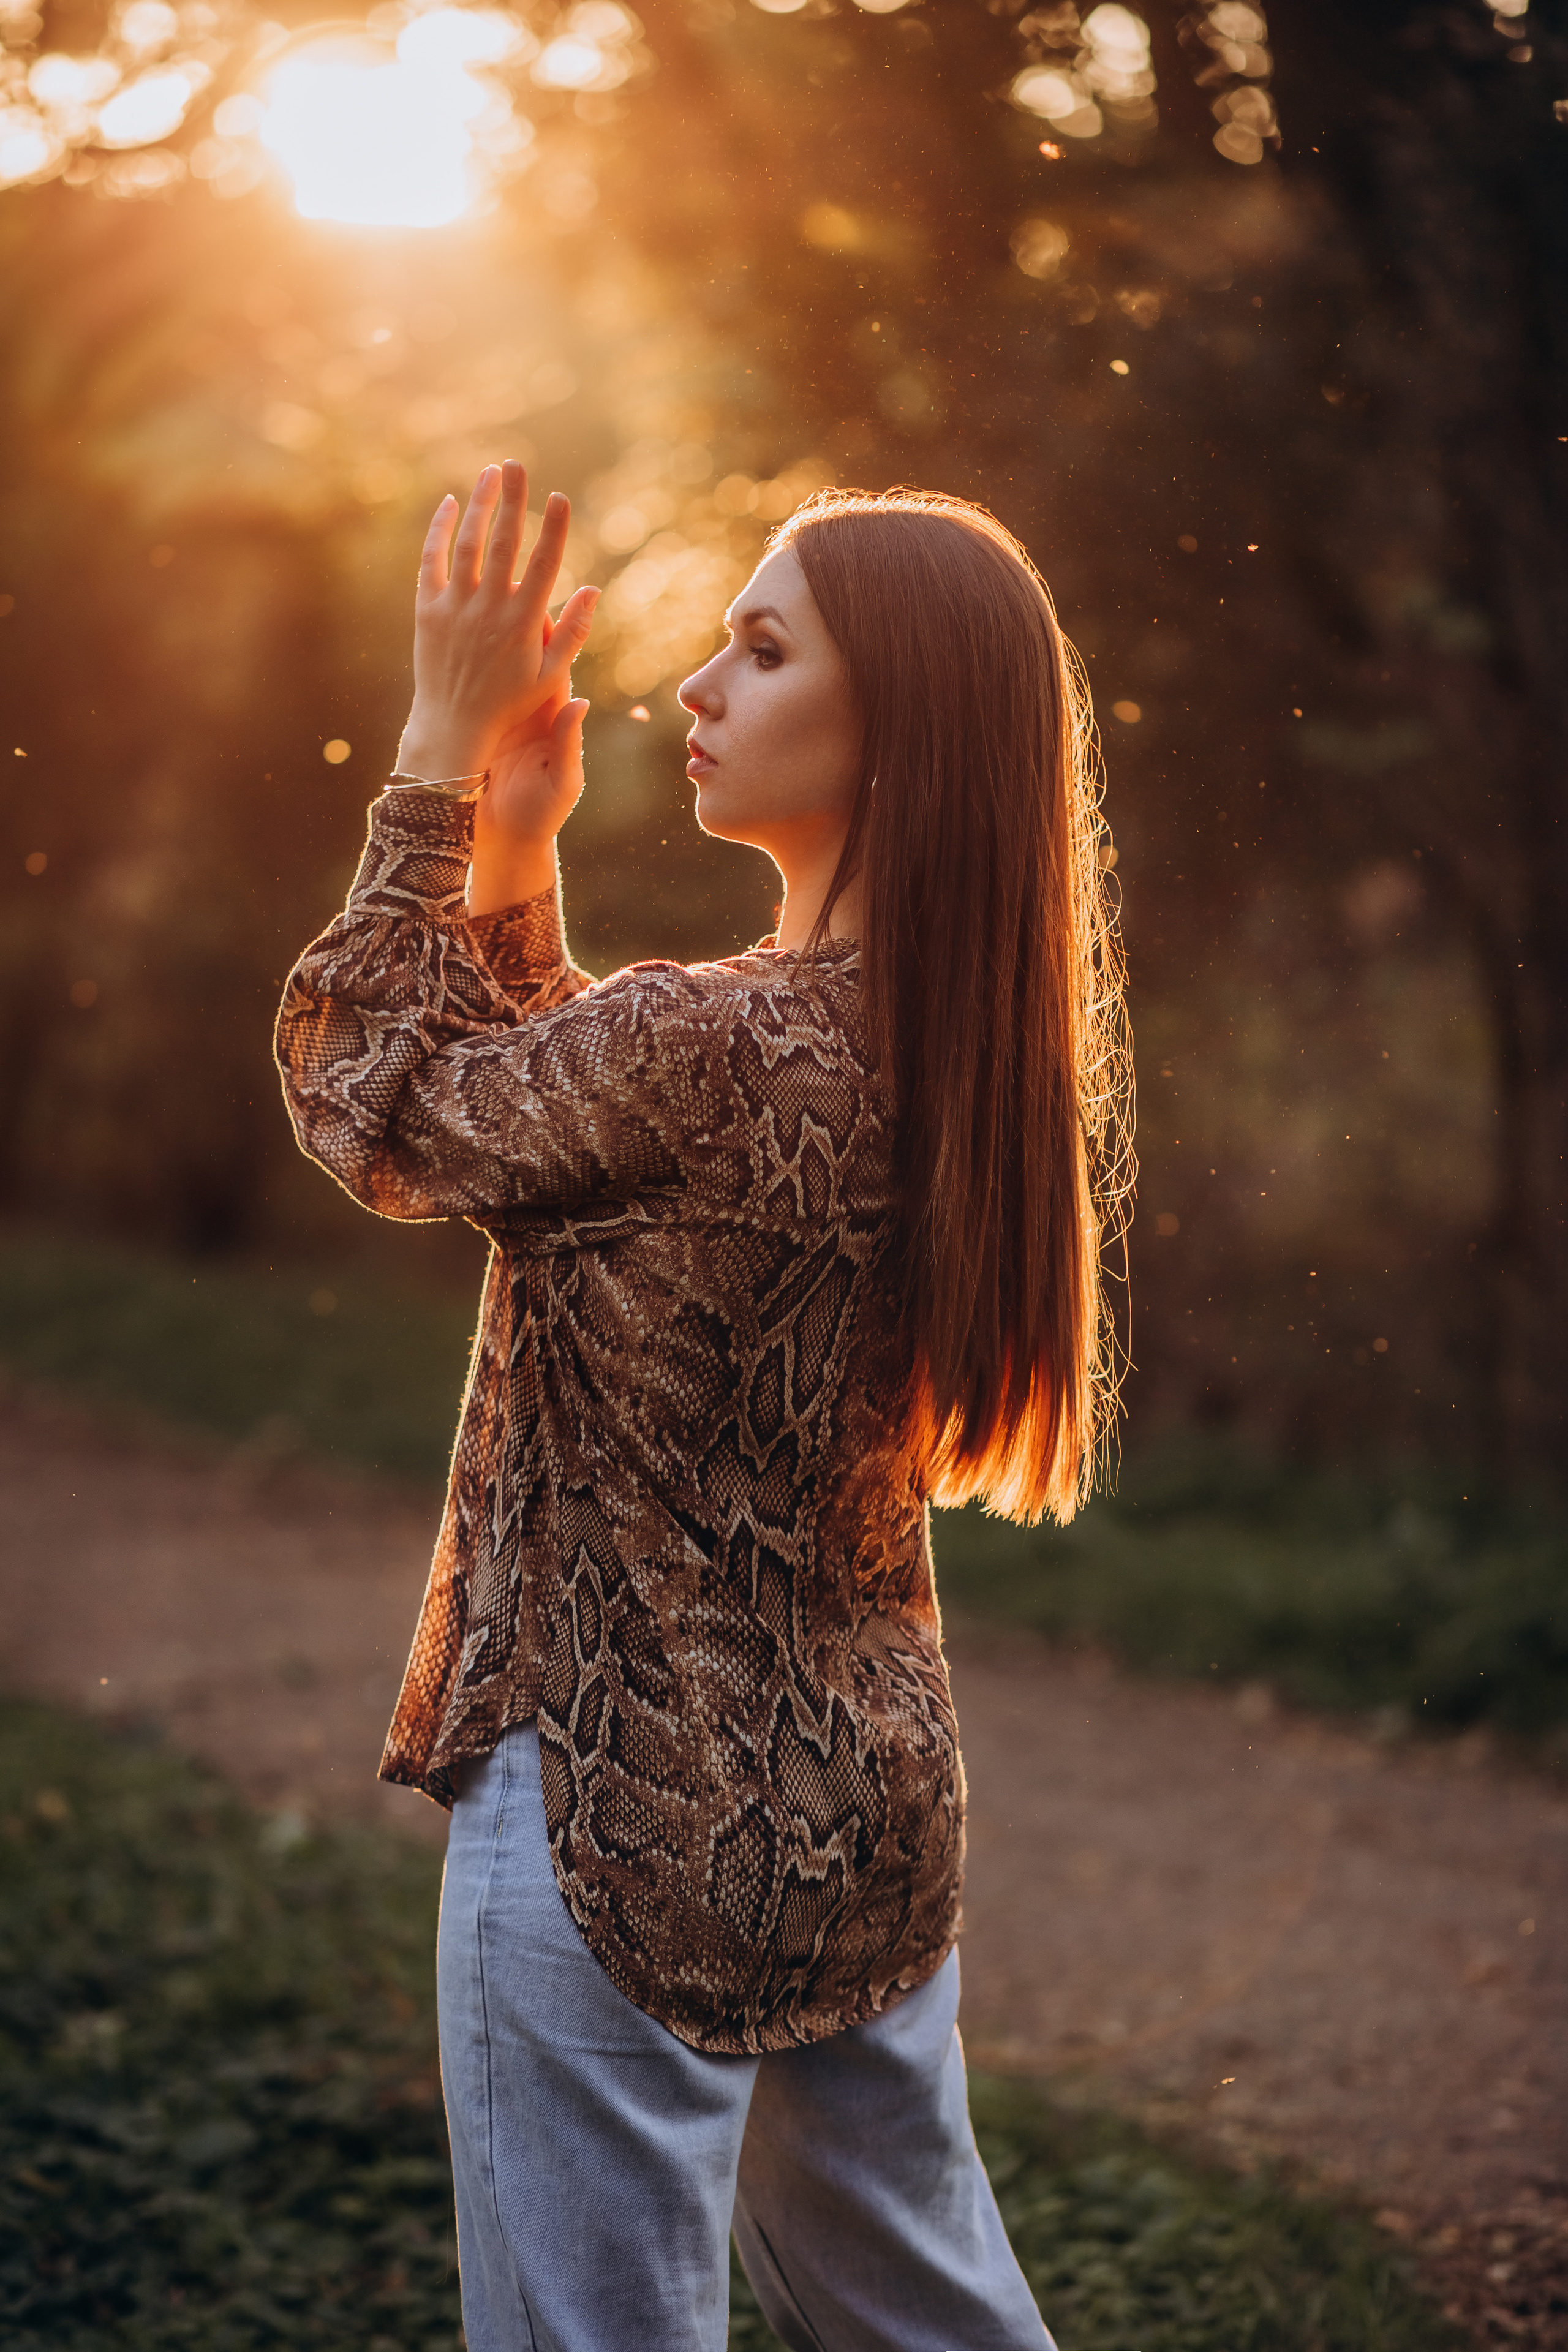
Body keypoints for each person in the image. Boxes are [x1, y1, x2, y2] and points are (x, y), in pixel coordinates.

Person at [275, 461, 1131, 2352]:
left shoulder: (706, 1044)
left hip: (611, 1813)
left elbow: (382, 1101)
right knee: (939, 2325)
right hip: (864, 1799)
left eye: (760, 648)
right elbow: (592, 1147)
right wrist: (514, 862)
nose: (697, 689)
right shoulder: (950, 1054)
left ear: (891, 725)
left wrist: (432, 738)